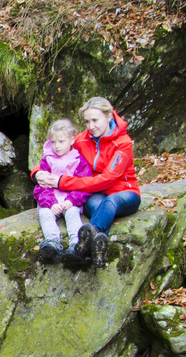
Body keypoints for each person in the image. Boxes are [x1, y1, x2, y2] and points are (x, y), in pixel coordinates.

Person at [34, 96, 140, 270]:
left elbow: (108, 179)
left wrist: (62, 182)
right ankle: (95, 250)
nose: (91, 126)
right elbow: (56, 157)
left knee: (110, 201)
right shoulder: (83, 139)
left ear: (109, 116)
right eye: (87, 121)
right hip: (95, 194)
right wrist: (36, 173)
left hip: (125, 193)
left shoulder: (123, 143)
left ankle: (87, 237)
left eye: (95, 120)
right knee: (94, 204)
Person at [32, 118, 92, 264]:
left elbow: (84, 185)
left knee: (72, 214)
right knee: (45, 213)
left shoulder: (78, 160)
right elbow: (42, 186)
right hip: (52, 200)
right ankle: (52, 242)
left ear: (72, 140)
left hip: (70, 201)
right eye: (53, 142)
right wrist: (50, 203)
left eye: (61, 142)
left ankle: (75, 243)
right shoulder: (47, 160)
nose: (57, 146)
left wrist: (72, 201)